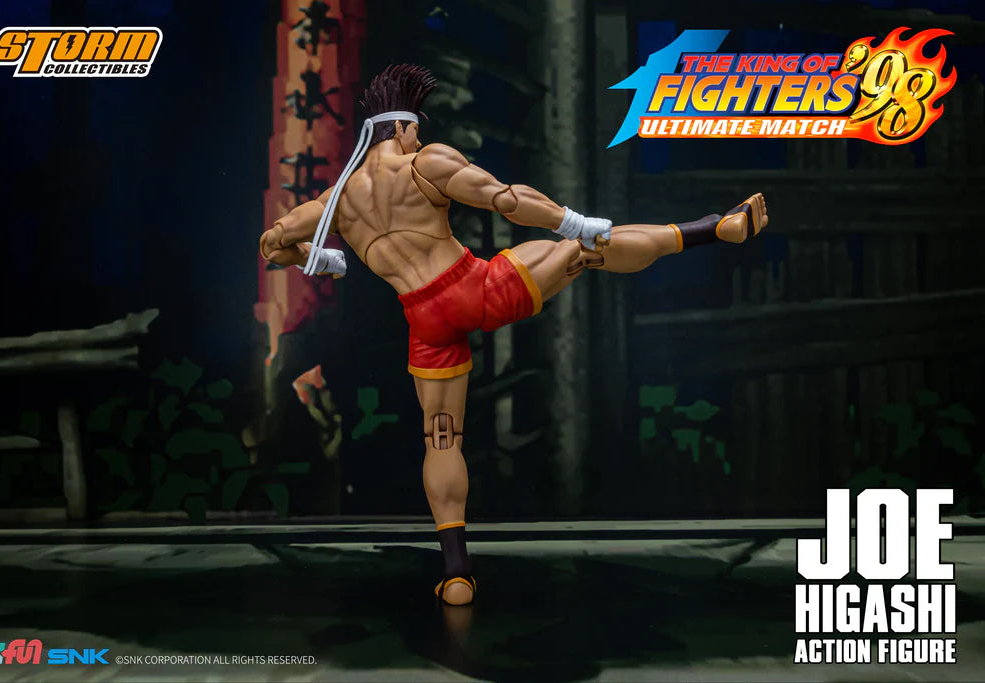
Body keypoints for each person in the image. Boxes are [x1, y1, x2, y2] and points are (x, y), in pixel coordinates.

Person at [259, 64, 769, 606]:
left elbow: (273, 244)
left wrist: (324, 259)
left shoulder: (337, 200)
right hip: (472, 289)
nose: (420, 140)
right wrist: (571, 221)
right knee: (584, 251)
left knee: (441, 438)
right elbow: (504, 198)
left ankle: (457, 571)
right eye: (417, 131)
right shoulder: (425, 163)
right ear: (403, 128)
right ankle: (710, 229)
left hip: (425, 321)